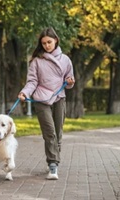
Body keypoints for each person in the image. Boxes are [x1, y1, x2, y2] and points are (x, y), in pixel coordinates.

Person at [18, 27, 75, 180]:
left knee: (58, 133)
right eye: (43, 43)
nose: (46, 46)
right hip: (41, 99)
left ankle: (54, 157)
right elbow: (32, 81)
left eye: (49, 42)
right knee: (50, 133)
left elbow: (69, 81)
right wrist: (25, 92)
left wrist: (69, 82)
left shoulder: (65, 60)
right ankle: (53, 164)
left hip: (59, 98)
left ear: (56, 40)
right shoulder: (37, 61)